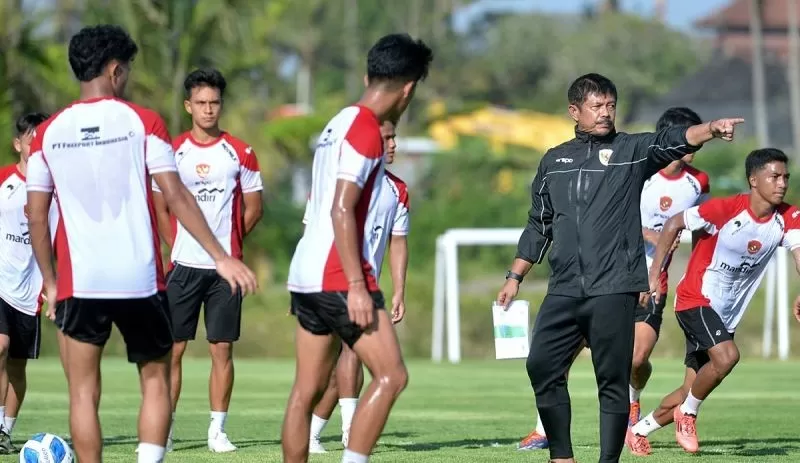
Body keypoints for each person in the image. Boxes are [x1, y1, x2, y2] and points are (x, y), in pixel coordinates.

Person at [25, 25, 258, 463]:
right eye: (127, 69)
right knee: (154, 380)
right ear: (115, 70)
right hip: (139, 279)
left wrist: (52, 284)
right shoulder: (142, 121)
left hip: (81, 281)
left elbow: (36, 216)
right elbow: (176, 196)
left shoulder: (48, 133)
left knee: (82, 393)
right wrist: (221, 256)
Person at [495, 72, 744, 463]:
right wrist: (515, 276)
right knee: (541, 366)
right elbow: (538, 222)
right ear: (574, 110)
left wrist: (711, 129)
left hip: (614, 287)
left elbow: (671, 140)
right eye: (597, 106)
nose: (605, 113)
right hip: (563, 288)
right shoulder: (554, 160)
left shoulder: (631, 150)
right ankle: (562, 456)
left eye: (610, 105)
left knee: (612, 381)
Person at [518, 106, 712, 452]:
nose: (692, 146)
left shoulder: (698, 182)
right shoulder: (637, 166)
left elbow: (701, 224)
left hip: (653, 281)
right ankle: (543, 429)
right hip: (605, 276)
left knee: (636, 359)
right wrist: (651, 235)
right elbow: (602, 217)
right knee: (557, 359)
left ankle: (632, 408)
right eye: (688, 136)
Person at [283, 33, 432, 463]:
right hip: (337, 273)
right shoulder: (367, 130)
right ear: (408, 89)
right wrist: (355, 284)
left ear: (369, 75)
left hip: (304, 271)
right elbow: (342, 208)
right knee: (391, 376)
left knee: (304, 390)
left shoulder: (337, 122)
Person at [626, 148, 800, 456]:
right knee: (727, 357)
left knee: (690, 388)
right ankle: (688, 415)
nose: (782, 183)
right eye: (774, 176)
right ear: (753, 180)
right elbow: (673, 224)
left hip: (725, 315)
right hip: (695, 299)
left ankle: (639, 430)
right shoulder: (723, 209)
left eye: (785, 177)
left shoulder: (788, 216)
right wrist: (653, 276)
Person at [151, 68, 263, 453]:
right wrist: (178, 244)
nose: (208, 109)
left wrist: (228, 248)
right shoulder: (172, 152)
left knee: (222, 349)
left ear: (221, 105)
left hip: (224, 272)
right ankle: (163, 428)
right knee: (174, 350)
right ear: (188, 105)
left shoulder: (241, 152)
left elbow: (253, 209)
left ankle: (217, 431)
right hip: (183, 266)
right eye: (201, 103)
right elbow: (161, 207)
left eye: (214, 102)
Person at [307, 119, 410, 454]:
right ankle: (343, 432)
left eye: (395, 137)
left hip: (365, 289)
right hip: (327, 283)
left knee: (348, 365)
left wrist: (398, 291)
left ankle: (327, 432)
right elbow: (312, 232)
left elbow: (398, 243)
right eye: (387, 138)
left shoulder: (398, 190)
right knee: (324, 370)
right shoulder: (338, 185)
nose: (393, 144)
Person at [0, 113, 55, 453]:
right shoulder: (3, 180)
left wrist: (54, 285)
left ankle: (6, 431)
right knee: (0, 347)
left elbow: (62, 237)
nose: (36, 146)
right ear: (18, 144)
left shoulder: (57, 188)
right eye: (31, 140)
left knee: (17, 364)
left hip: (30, 289)